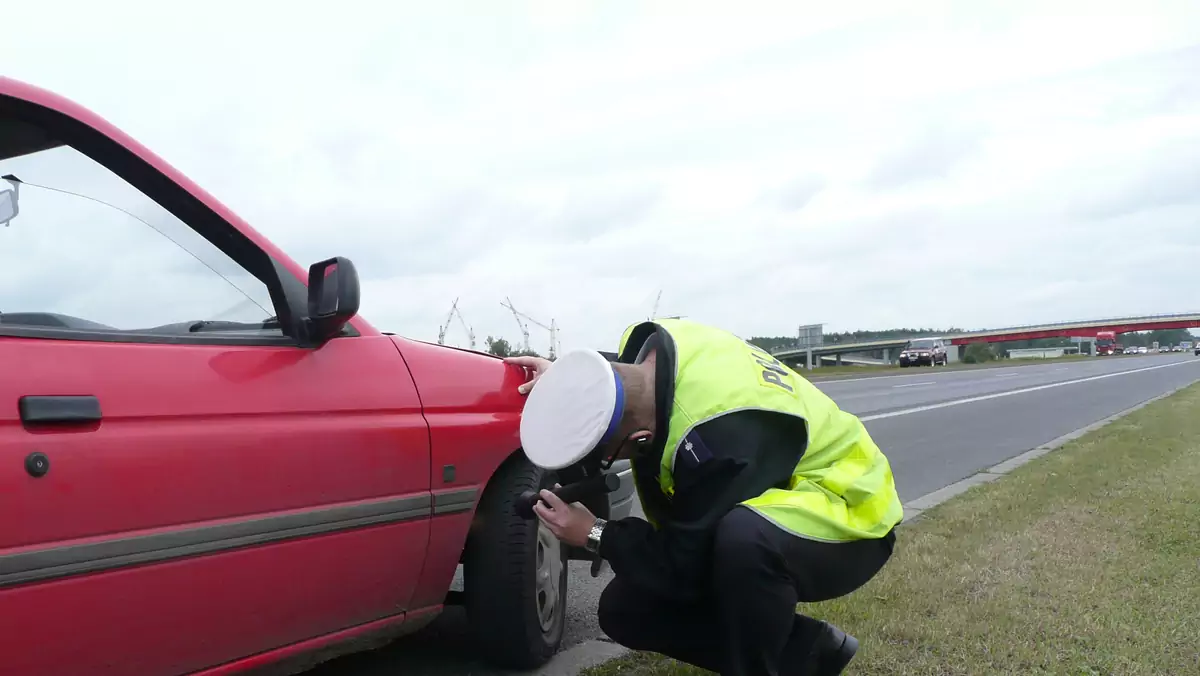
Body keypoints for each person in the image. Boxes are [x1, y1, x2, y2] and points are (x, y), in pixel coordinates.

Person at [507, 318, 903, 676]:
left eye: (612, 455)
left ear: (640, 438)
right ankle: (808, 652)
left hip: (851, 514)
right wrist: (565, 382)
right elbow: (607, 377)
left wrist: (594, 532)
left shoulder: (717, 438)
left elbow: (683, 567)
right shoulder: (647, 348)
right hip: (779, 494)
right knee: (624, 609)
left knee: (744, 542)